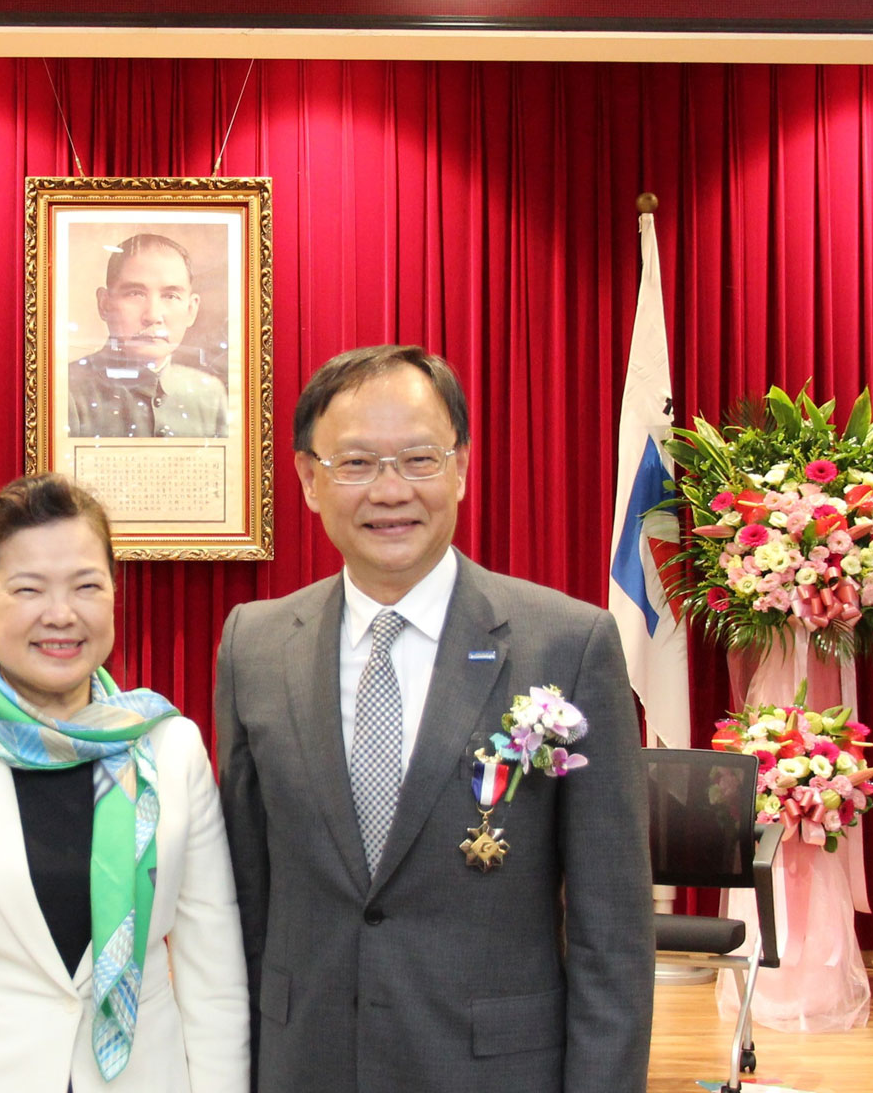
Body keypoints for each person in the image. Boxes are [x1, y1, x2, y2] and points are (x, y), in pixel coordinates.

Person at [212, 345, 653, 1093]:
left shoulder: (565, 643)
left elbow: (610, 926)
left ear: (460, 469)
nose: (390, 491)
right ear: (309, 480)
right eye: (354, 464)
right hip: (304, 1062)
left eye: (418, 458)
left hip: (491, 1069)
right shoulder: (253, 644)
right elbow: (245, 897)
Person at [0, 473, 249, 1093]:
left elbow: (211, 968)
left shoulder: (170, 747)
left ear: (115, 594)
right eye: (28, 589)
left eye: (87, 585)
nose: (61, 615)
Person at [67, 233, 228, 438]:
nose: (152, 316)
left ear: (191, 310)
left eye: (170, 296)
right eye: (135, 293)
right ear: (104, 304)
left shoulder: (209, 395)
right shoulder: (67, 390)